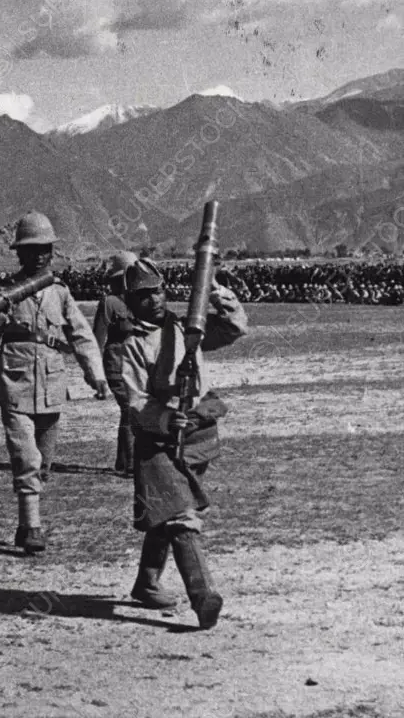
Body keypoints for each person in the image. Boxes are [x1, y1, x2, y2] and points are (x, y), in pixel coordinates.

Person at [121, 258, 248, 629]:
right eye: (143, 296)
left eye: (157, 291)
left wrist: (211, 289)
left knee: (168, 509)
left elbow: (235, 327)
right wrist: (162, 418)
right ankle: (203, 597)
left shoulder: (186, 328)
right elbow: (134, 399)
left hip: (196, 433)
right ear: (131, 301)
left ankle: (146, 582)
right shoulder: (131, 344)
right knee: (179, 516)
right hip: (157, 441)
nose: (154, 300)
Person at [0, 212, 108, 554]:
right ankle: (31, 527)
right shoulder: (5, 292)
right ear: (19, 254)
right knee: (26, 457)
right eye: (31, 249)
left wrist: (95, 375)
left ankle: (30, 515)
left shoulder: (60, 292)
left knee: (45, 460)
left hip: (52, 386)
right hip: (15, 384)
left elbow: (82, 335)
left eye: (44, 248)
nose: (39, 255)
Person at [93, 251, 139, 477]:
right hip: (116, 365)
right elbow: (97, 340)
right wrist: (96, 374)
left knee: (129, 411)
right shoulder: (109, 303)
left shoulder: (138, 301)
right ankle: (131, 465)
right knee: (130, 410)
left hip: (136, 365)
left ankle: (123, 461)